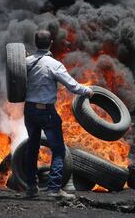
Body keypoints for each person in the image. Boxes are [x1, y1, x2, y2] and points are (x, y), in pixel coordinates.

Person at [24, 29, 94, 199]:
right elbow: (72, 86)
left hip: (29, 110)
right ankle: (54, 189)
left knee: (31, 149)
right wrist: (88, 91)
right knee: (58, 150)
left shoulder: (24, 62)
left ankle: (31, 188)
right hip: (46, 112)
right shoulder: (53, 64)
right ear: (51, 43)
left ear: (35, 43)